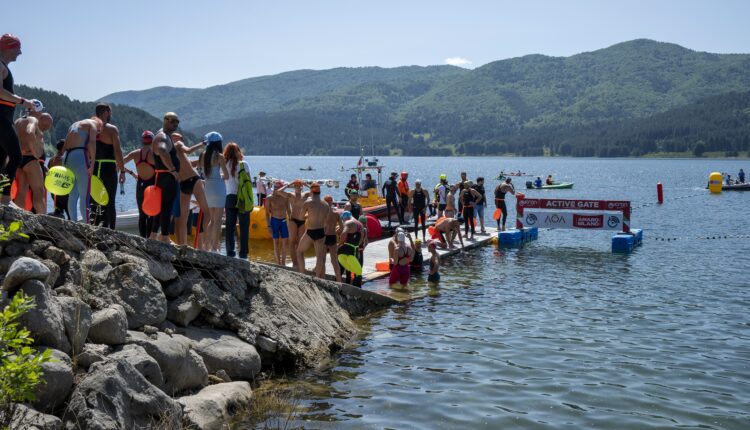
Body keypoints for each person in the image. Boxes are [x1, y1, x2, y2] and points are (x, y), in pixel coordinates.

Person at [0, 34, 36, 204]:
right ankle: (5, 198)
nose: (20, 52)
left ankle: (2, 196)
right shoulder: (0, 66)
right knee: (16, 156)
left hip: (4, 118)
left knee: (2, 159)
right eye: (18, 48)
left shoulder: (3, 66)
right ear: (8, 47)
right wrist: (23, 101)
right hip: (1, 119)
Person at [172, 133, 211, 248]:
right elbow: (188, 154)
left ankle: (205, 240)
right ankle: (183, 246)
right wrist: (202, 144)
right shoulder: (171, 149)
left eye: (179, 138)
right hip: (184, 183)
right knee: (183, 218)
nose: (177, 139)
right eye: (174, 137)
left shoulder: (175, 148)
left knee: (206, 211)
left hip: (193, 180)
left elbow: (189, 156)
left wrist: (203, 148)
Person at [90, 103, 125, 229]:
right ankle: (111, 230)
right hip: (108, 167)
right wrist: (122, 171)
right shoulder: (111, 129)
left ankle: (93, 227)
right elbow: (118, 151)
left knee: (94, 199)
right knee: (110, 201)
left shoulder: (90, 127)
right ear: (106, 113)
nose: (110, 115)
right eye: (110, 112)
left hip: (94, 167)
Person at [14, 100, 51, 214]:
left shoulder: (18, 121)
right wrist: (35, 152)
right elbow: (30, 132)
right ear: (38, 110)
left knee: (21, 191)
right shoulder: (33, 120)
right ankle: (44, 221)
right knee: (38, 192)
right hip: (30, 159)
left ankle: (17, 218)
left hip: (18, 159)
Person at [64, 117, 102, 222]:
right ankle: (87, 224)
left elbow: (65, 144)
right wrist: (92, 164)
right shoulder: (93, 124)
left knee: (72, 195)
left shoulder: (74, 125)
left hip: (67, 157)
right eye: (98, 131)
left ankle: (73, 222)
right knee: (85, 195)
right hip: (80, 156)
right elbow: (91, 143)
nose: (98, 133)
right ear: (98, 124)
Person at [151, 112, 181, 243]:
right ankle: (164, 237)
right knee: (166, 208)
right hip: (166, 177)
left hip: (163, 176)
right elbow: (162, 151)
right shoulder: (162, 136)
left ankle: (153, 235)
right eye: (173, 121)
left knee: (160, 207)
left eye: (177, 122)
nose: (175, 124)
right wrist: (173, 170)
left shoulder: (163, 135)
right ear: (165, 120)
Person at [122, 131, 157, 237]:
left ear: (142, 140)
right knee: (151, 215)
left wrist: (131, 173)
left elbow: (119, 163)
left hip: (140, 185)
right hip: (152, 186)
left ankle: (142, 239)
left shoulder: (135, 153)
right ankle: (149, 240)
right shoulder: (155, 154)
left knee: (142, 215)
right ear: (152, 141)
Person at [199, 132, 228, 252]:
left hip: (208, 189)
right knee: (218, 221)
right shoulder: (219, 156)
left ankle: (206, 246)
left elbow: (202, 173)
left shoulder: (203, 155)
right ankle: (215, 248)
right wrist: (220, 175)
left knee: (211, 219)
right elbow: (226, 176)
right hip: (219, 188)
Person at [296, 182, 329, 278]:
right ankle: (318, 277)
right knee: (319, 256)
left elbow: (301, 217)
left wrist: (308, 215)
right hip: (321, 231)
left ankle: (303, 275)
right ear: (320, 192)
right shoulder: (326, 204)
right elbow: (326, 220)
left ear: (311, 191)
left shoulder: (308, 202)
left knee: (299, 251)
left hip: (311, 231)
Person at [224, 142, 251, 259]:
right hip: (242, 198)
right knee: (244, 227)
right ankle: (243, 254)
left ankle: (230, 253)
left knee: (230, 227)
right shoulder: (244, 164)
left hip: (230, 197)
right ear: (238, 152)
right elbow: (249, 182)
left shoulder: (225, 164)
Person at [265, 181, 291, 265]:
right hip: (274, 221)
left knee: (285, 243)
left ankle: (283, 263)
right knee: (275, 242)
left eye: (278, 188)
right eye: (275, 187)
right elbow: (266, 214)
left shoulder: (285, 198)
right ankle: (278, 263)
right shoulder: (269, 198)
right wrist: (268, 226)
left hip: (283, 221)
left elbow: (289, 211)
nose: (276, 189)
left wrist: (290, 223)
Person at [338, 211, 365, 287]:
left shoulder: (348, 222)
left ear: (345, 217)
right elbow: (361, 240)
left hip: (345, 249)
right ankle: (357, 287)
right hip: (355, 249)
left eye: (343, 220)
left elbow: (344, 233)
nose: (343, 221)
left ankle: (339, 285)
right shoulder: (360, 225)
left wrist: (340, 244)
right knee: (356, 270)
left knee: (340, 268)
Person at [286, 180, 309, 269]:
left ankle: (300, 262)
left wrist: (306, 184)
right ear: (294, 187)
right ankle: (294, 263)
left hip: (302, 221)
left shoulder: (305, 195)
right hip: (293, 220)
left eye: (299, 186)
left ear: (302, 187)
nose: (298, 188)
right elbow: (278, 191)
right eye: (296, 186)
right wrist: (289, 184)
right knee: (292, 242)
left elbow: (316, 191)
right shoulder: (291, 195)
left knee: (300, 243)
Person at [323, 195, 343, 282]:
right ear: (331, 202)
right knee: (334, 261)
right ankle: (339, 281)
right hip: (333, 236)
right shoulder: (336, 214)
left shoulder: (322, 213)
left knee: (322, 259)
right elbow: (342, 227)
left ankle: (322, 279)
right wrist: (336, 232)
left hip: (324, 237)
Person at [48, 139, 69, 219]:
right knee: (69, 211)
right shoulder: (62, 159)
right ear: (63, 148)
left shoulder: (52, 159)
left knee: (58, 211)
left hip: (53, 190)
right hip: (62, 189)